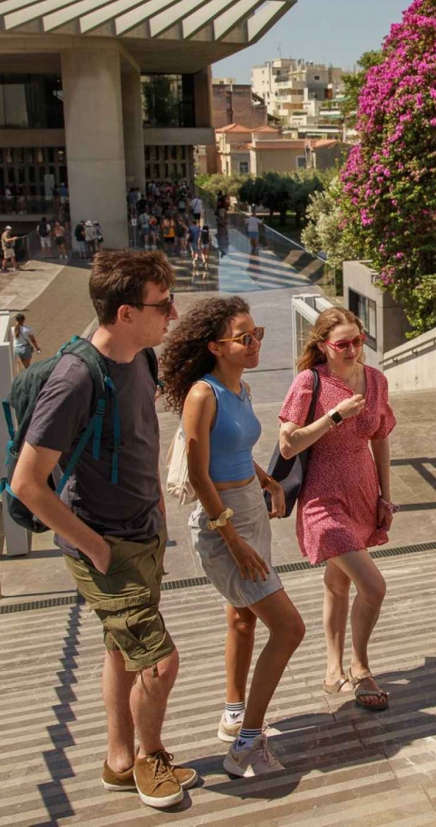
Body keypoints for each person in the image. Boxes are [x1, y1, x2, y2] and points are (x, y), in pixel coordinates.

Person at [10, 251, 191, 810]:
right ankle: (149, 757)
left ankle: (118, 760)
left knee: (122, 650)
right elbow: (27, 483)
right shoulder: (74, 377)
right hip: (105, 543)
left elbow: (136, 438)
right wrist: (95, 547)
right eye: (162, 305)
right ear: (124, 312)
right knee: (159, 662)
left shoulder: (140, 357)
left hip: (143, 532)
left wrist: (157, 508)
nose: (175, 314)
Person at [160, 297, 305, 778]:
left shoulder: (238, 387)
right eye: (245, 337)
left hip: (248, 509)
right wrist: (232, 538)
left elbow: (237, 450)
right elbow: (200, 475)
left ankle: (234, 712)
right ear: (216, 346)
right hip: (224, 523)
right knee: (289, 628)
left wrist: (267, 482)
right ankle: (246, 743)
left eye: (257, 333)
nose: (256, 342)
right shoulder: (203, 395)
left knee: (243, 619)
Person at [277, 308, 396, 711]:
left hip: (362, 490)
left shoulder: (375, 380)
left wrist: (385, 495)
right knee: (373, 586)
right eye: (342, 344)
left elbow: (380, 439)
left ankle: (333, 668)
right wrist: (334, 416)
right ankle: (360, 668)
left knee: (339, 581)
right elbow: (288, 445)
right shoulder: (309, 382)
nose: (351, 350)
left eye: (357, 342)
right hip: (321, 498)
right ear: (323, 345)